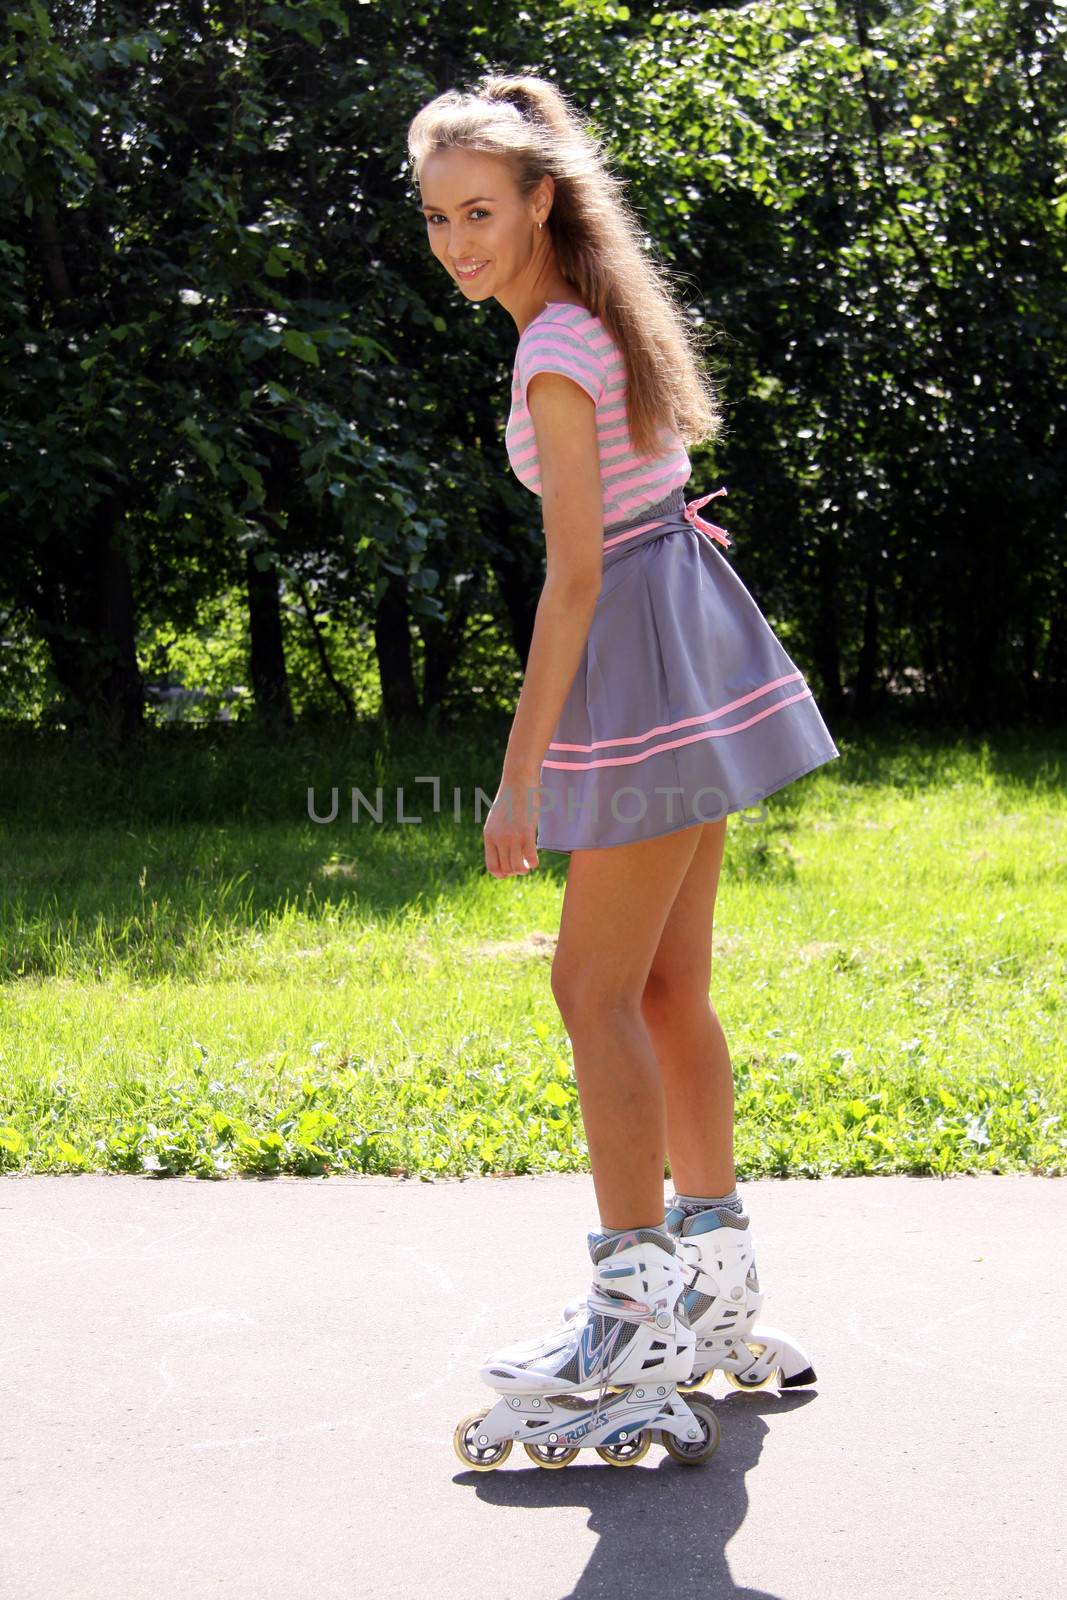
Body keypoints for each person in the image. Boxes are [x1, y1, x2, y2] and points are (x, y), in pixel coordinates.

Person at [407, 72, 834, 1465]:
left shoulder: (552, 353)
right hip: (689, 636)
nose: (459, 240)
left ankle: (634, 1309)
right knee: (664, 991)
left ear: (541, 200)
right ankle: (714, 1290)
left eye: (482, 209)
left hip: (645, 653)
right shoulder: (588, 323)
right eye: (437, 217)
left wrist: (520, 774)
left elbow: (576, 578)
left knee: (590, 987)